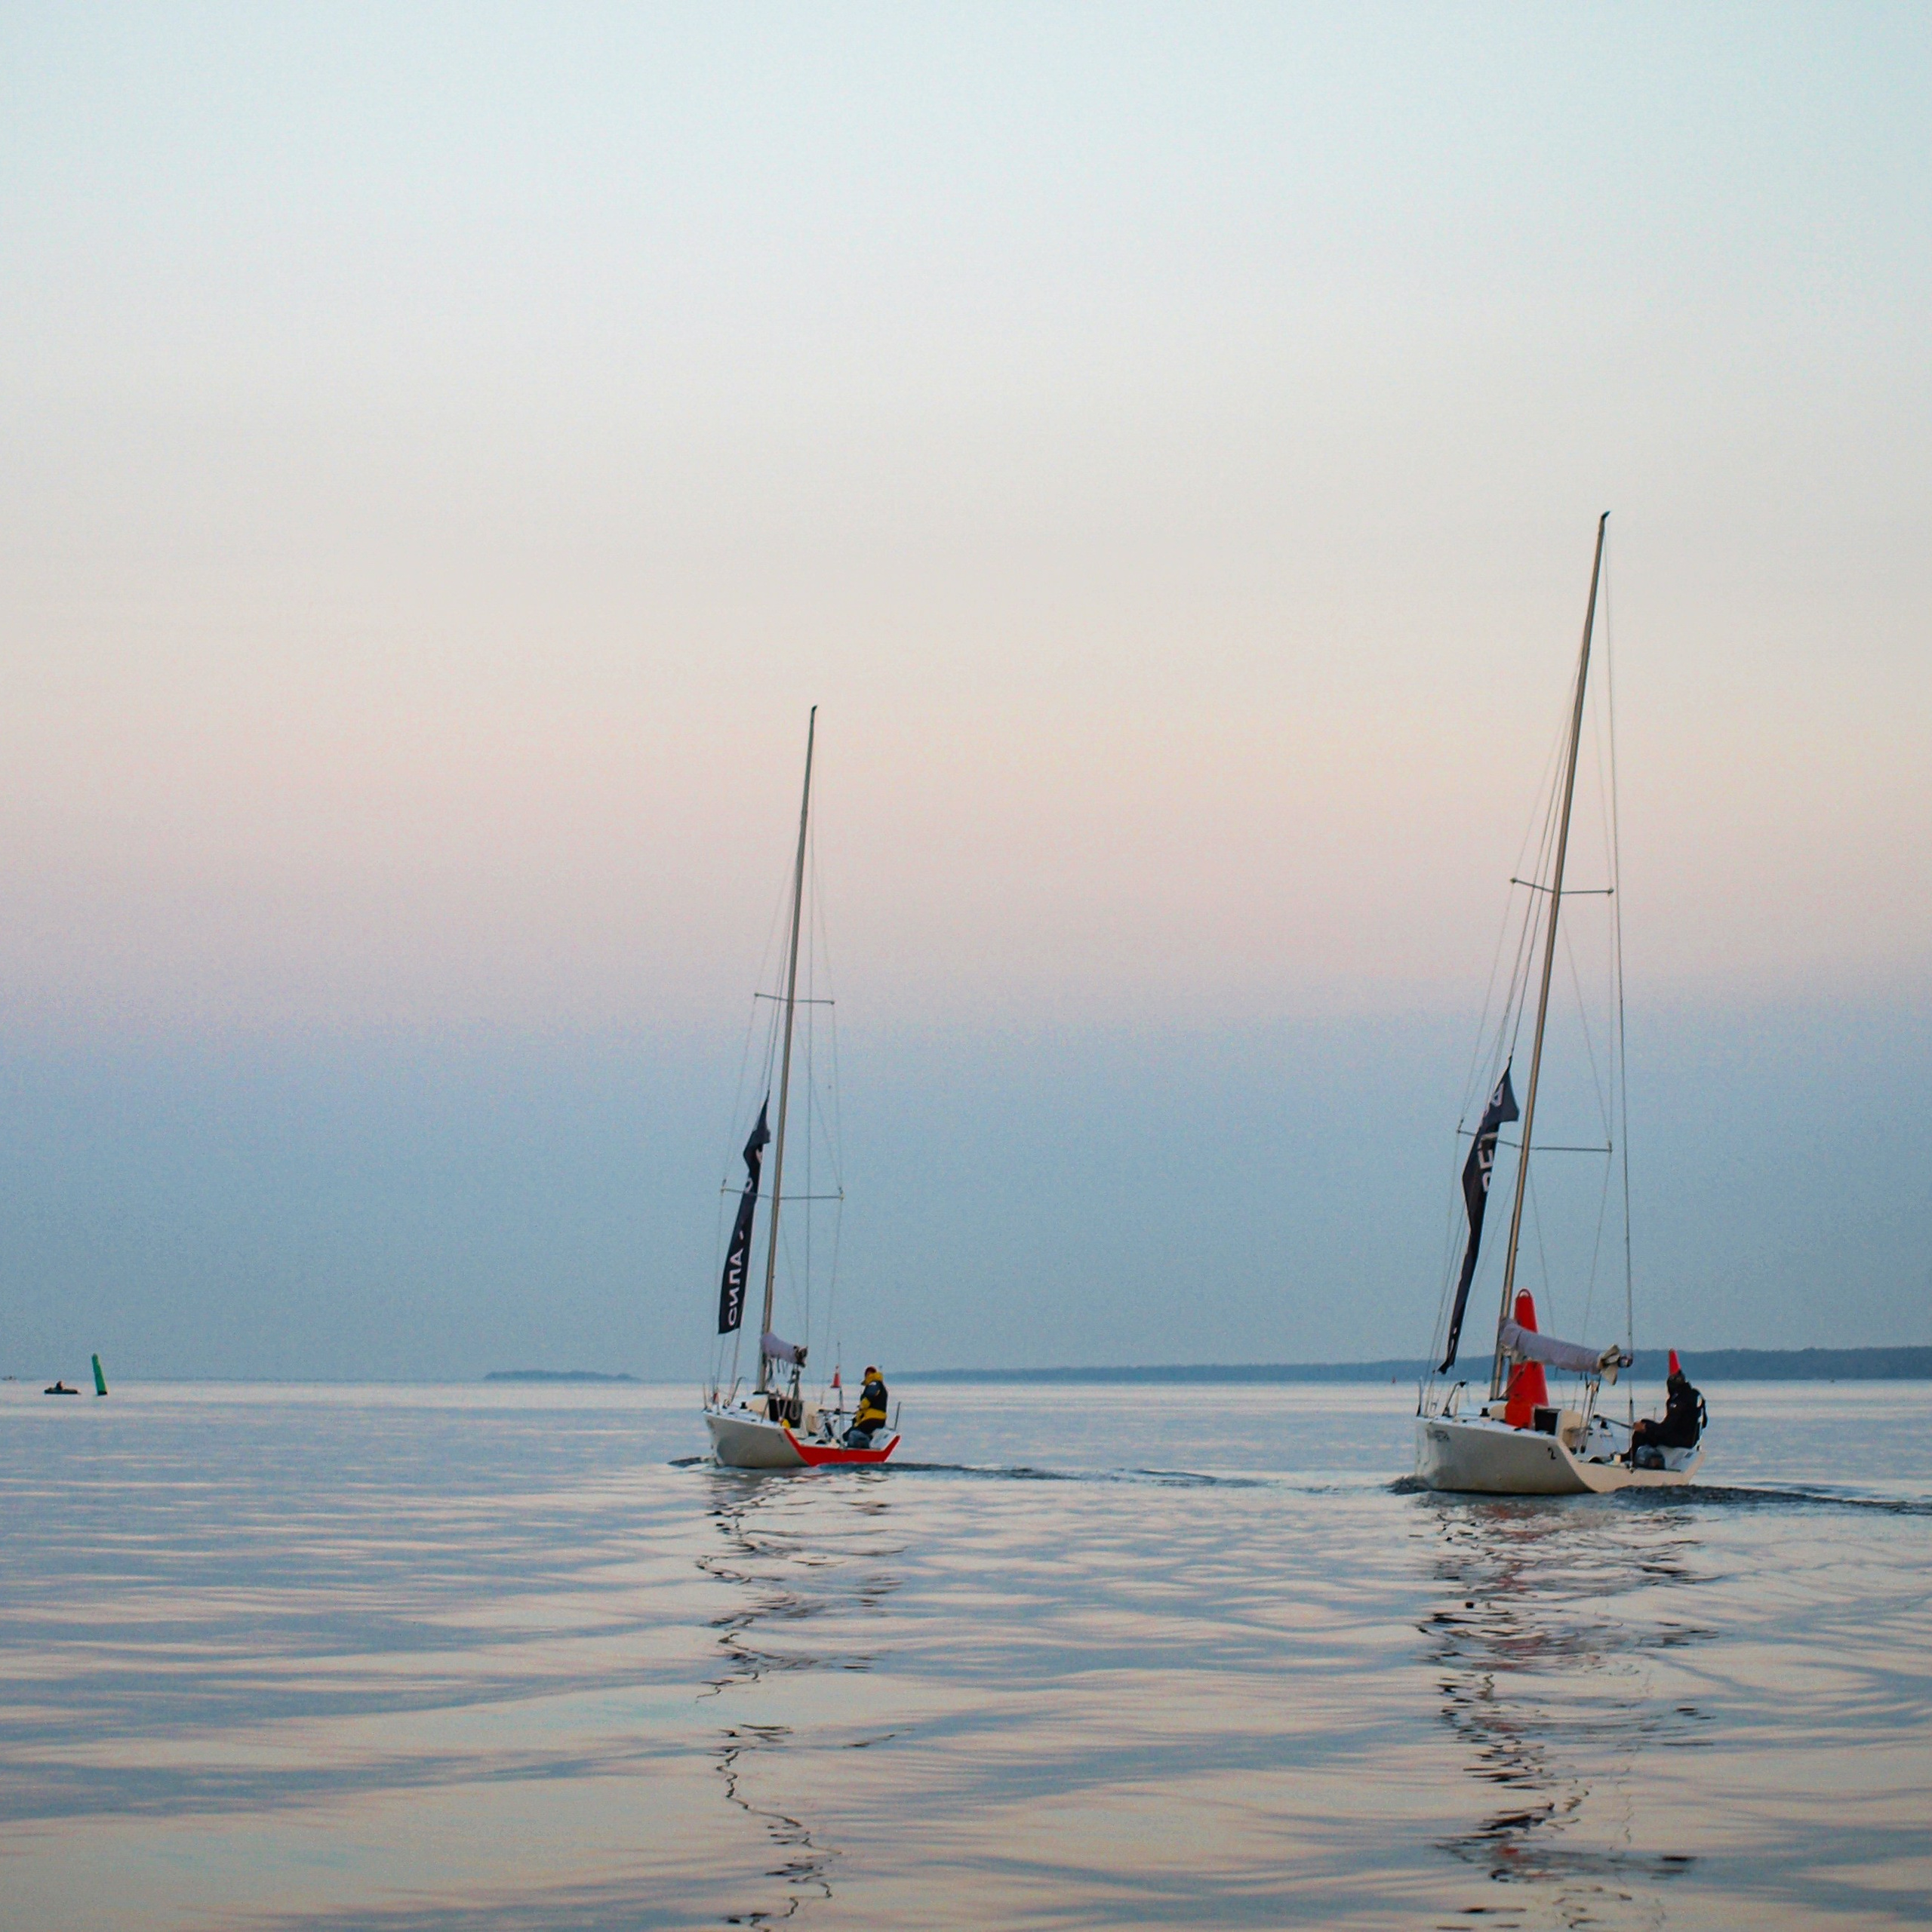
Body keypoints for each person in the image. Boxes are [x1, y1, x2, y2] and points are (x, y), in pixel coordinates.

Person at [1629, 1365, 1705, 1466]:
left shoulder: (1680, 1400)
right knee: (1646, 1423)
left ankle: (1631, 1459)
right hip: (1692, 1439)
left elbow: (1666, 1428)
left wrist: (1645, 1428)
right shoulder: (1695, 1395)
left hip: (1681, 1440)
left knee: (1641, 1432)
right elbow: (1704, 1423)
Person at [843, 1366, 889, 1448]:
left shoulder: (874, 1383)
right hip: (880, 1419)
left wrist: (862, 1405)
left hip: (871, 1418)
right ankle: (864, 1445)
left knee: (850, 1433)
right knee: (856, 1429)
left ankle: (852, 1448)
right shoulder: (880, 1386)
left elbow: (870, 1396)